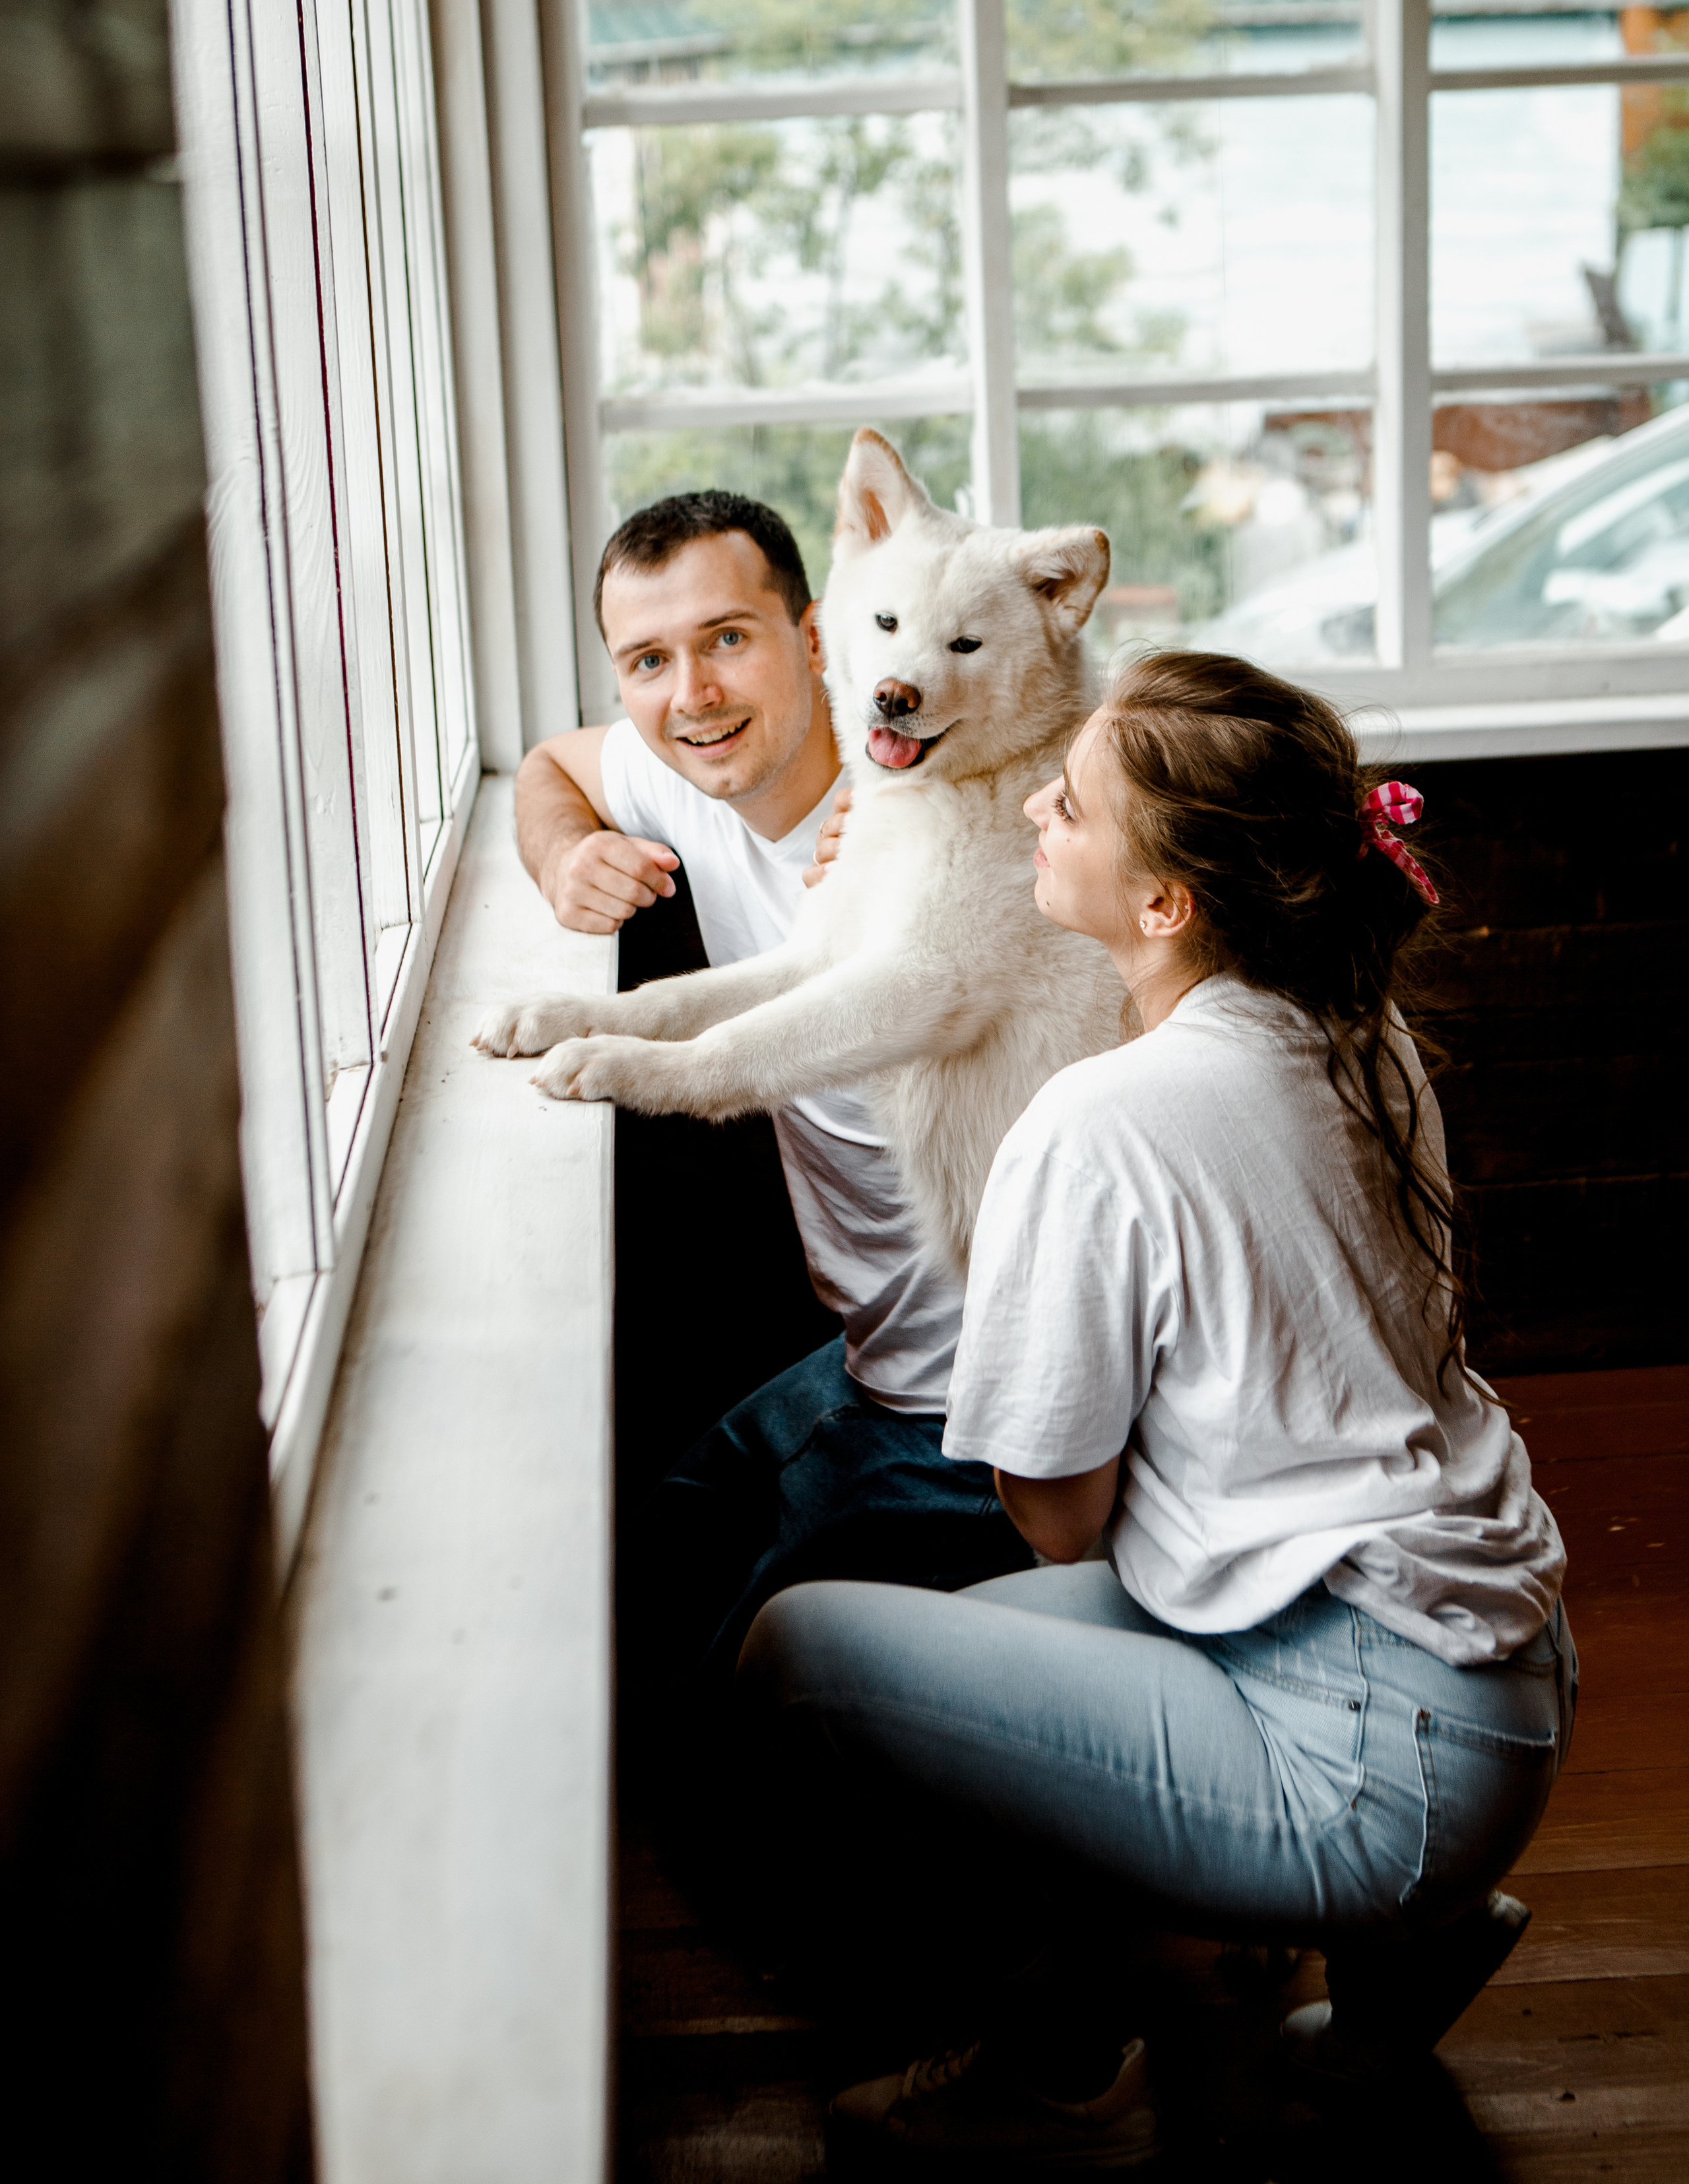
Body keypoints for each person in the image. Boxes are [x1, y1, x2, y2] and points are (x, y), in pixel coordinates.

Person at [738, 651, 1573, 2166]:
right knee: (990, 1647)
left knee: (796, 1653)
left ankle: (1064, 2075)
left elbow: (1060, 1518)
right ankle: (1406, 1963)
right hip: (1494, 1671)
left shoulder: (1101, 1116)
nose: (1033, 809)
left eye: (1069, 801)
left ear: (1167, 904)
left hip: (1378, 1764)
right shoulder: (1357, 1030)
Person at [515, 490, 1031, 1714]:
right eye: (649, 660)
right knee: (649, 1560)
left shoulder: (957, 797)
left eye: (727, 639)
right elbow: (551, 767)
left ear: (815, 635)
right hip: (867, 1363)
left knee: (720, 1700)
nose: (691, 694)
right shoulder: (685, 773)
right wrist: (562, 854)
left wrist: (909, 808)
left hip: (1000, 1410)